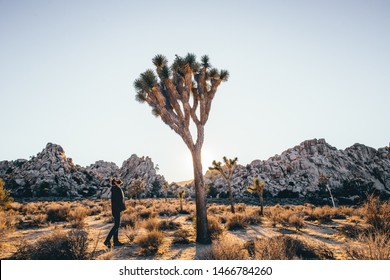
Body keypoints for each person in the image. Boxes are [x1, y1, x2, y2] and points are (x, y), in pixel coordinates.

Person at [104, 177, 126, 248]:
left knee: (116, 225)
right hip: (116, 209)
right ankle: (107, 241)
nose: (118, 179)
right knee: (116, 225)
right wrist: (119, 208)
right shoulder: (115, 189)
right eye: (116, 179)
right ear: (114, 182)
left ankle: (116, 241)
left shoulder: (116, 188)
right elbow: (117, 201)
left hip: (117, 209)